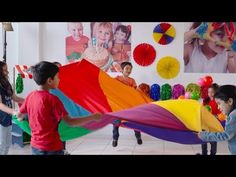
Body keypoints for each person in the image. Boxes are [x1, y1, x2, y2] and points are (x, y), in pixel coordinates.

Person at [15, 61, 102, 155]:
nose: (59, 80)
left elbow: (19, 115)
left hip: (36, 146)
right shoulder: (53, 100)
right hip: (52, 147)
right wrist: (93, 117)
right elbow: (70, 122)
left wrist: (19, 117)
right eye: (57, 77)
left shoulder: (30, 96)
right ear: (49, 81)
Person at [198, 85, 236, 155]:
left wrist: (204, 135)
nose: (218, 107)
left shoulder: (233, 116)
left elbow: (225, 135)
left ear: (230, 101)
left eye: (219, 104)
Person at [112, 61, 142, 147]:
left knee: (134, 121)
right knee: (116, 122)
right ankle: (115, 139)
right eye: (127, 68)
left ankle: (138, 137)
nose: (129, 70)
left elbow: (135, 91)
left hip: (129, 105)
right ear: (122, 69)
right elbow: (112, 88)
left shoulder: (132, 80)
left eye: (130, 69)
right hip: (119, 105)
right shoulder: (117, 79)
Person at [0, 61, 24, 155]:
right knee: (2, 145)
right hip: (1, 120)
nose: (8, 72)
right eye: (5, 71)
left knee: (6, 145)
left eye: (7, 70)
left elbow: (14, 97)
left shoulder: (7, 84)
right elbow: (0, 104)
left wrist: (28, 101)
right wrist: (14, 111)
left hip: (7, 118)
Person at [197, 83, 221, 155]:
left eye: (212, 92)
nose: (210, 94)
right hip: (205, 124)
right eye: (208, 92)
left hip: (213, 125)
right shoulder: (205, 101)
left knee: (213, 142)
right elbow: (201, 110)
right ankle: (204, 153)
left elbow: (220, 114)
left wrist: (215, 116)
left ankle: (212, 153)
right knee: (203, 141)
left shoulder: (218, 102)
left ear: (216, 92)